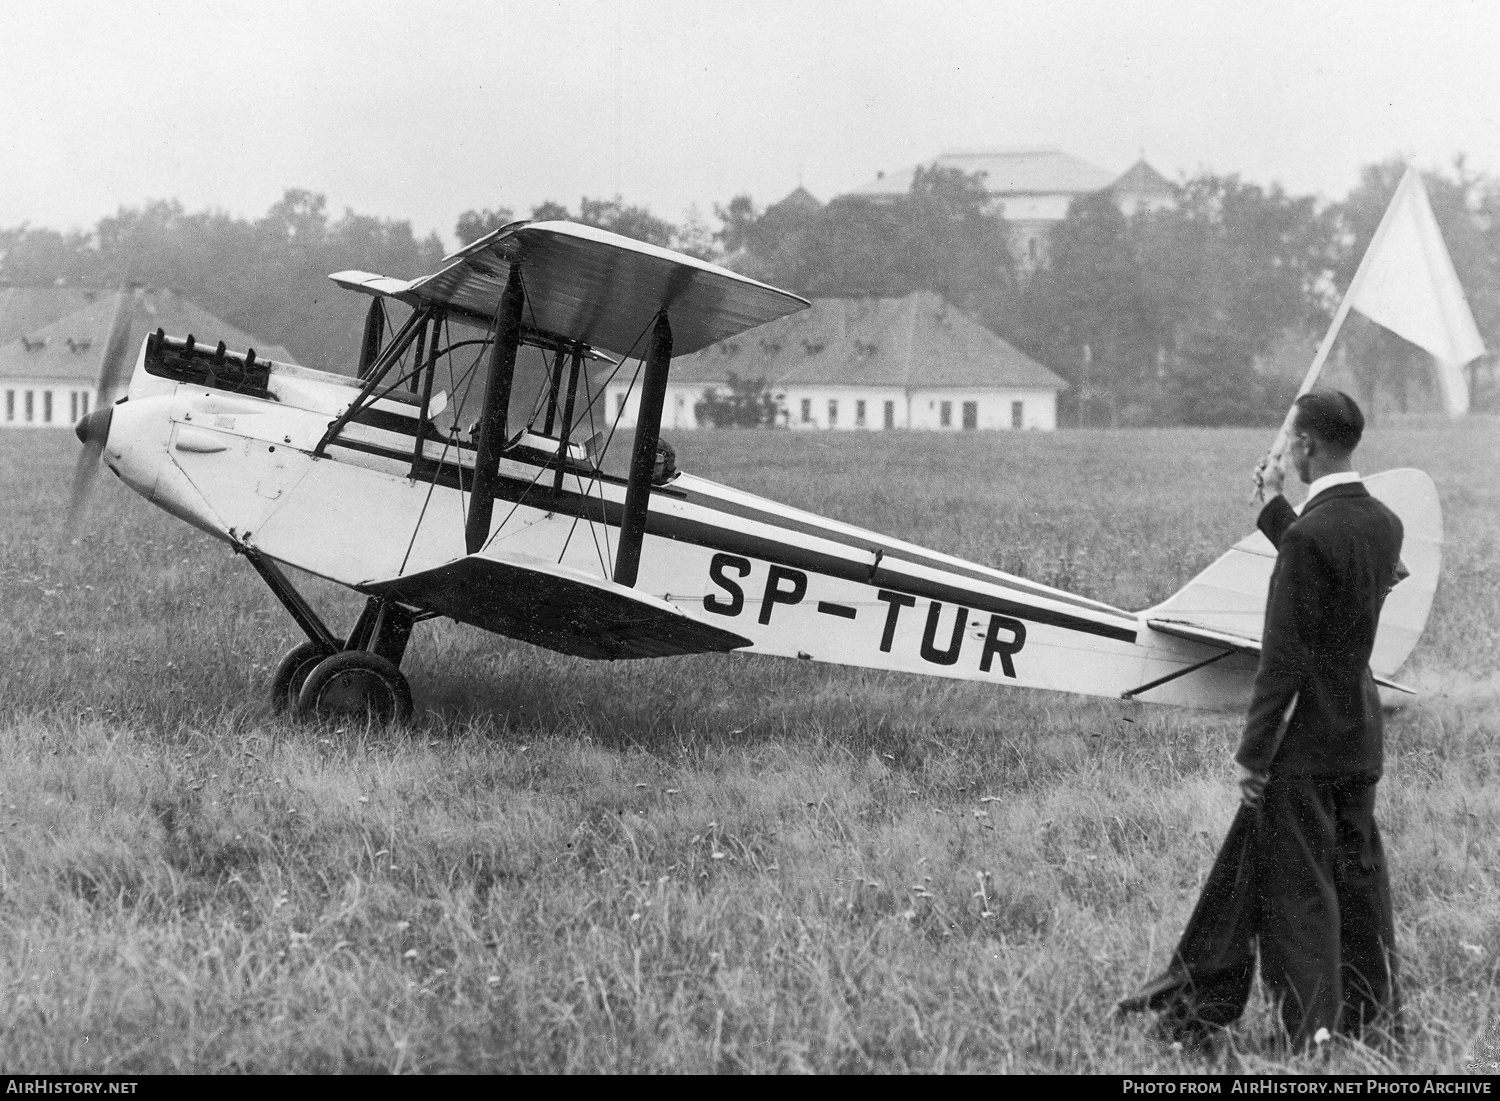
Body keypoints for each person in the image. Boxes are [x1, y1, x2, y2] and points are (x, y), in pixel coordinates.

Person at [1116, 389, 1406, 1052]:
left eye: (1294, 444)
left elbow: (1282, 660)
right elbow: (1332, 565)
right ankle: (1369, 1014)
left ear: (1304, 444)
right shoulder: (1384, 523)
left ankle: (1315, 1034)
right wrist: (1275, 508)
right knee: (1359, 879)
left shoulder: (1310, 537)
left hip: (1306, 741)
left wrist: (1252, 755)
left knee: (1302, 890)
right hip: (1360, 732)